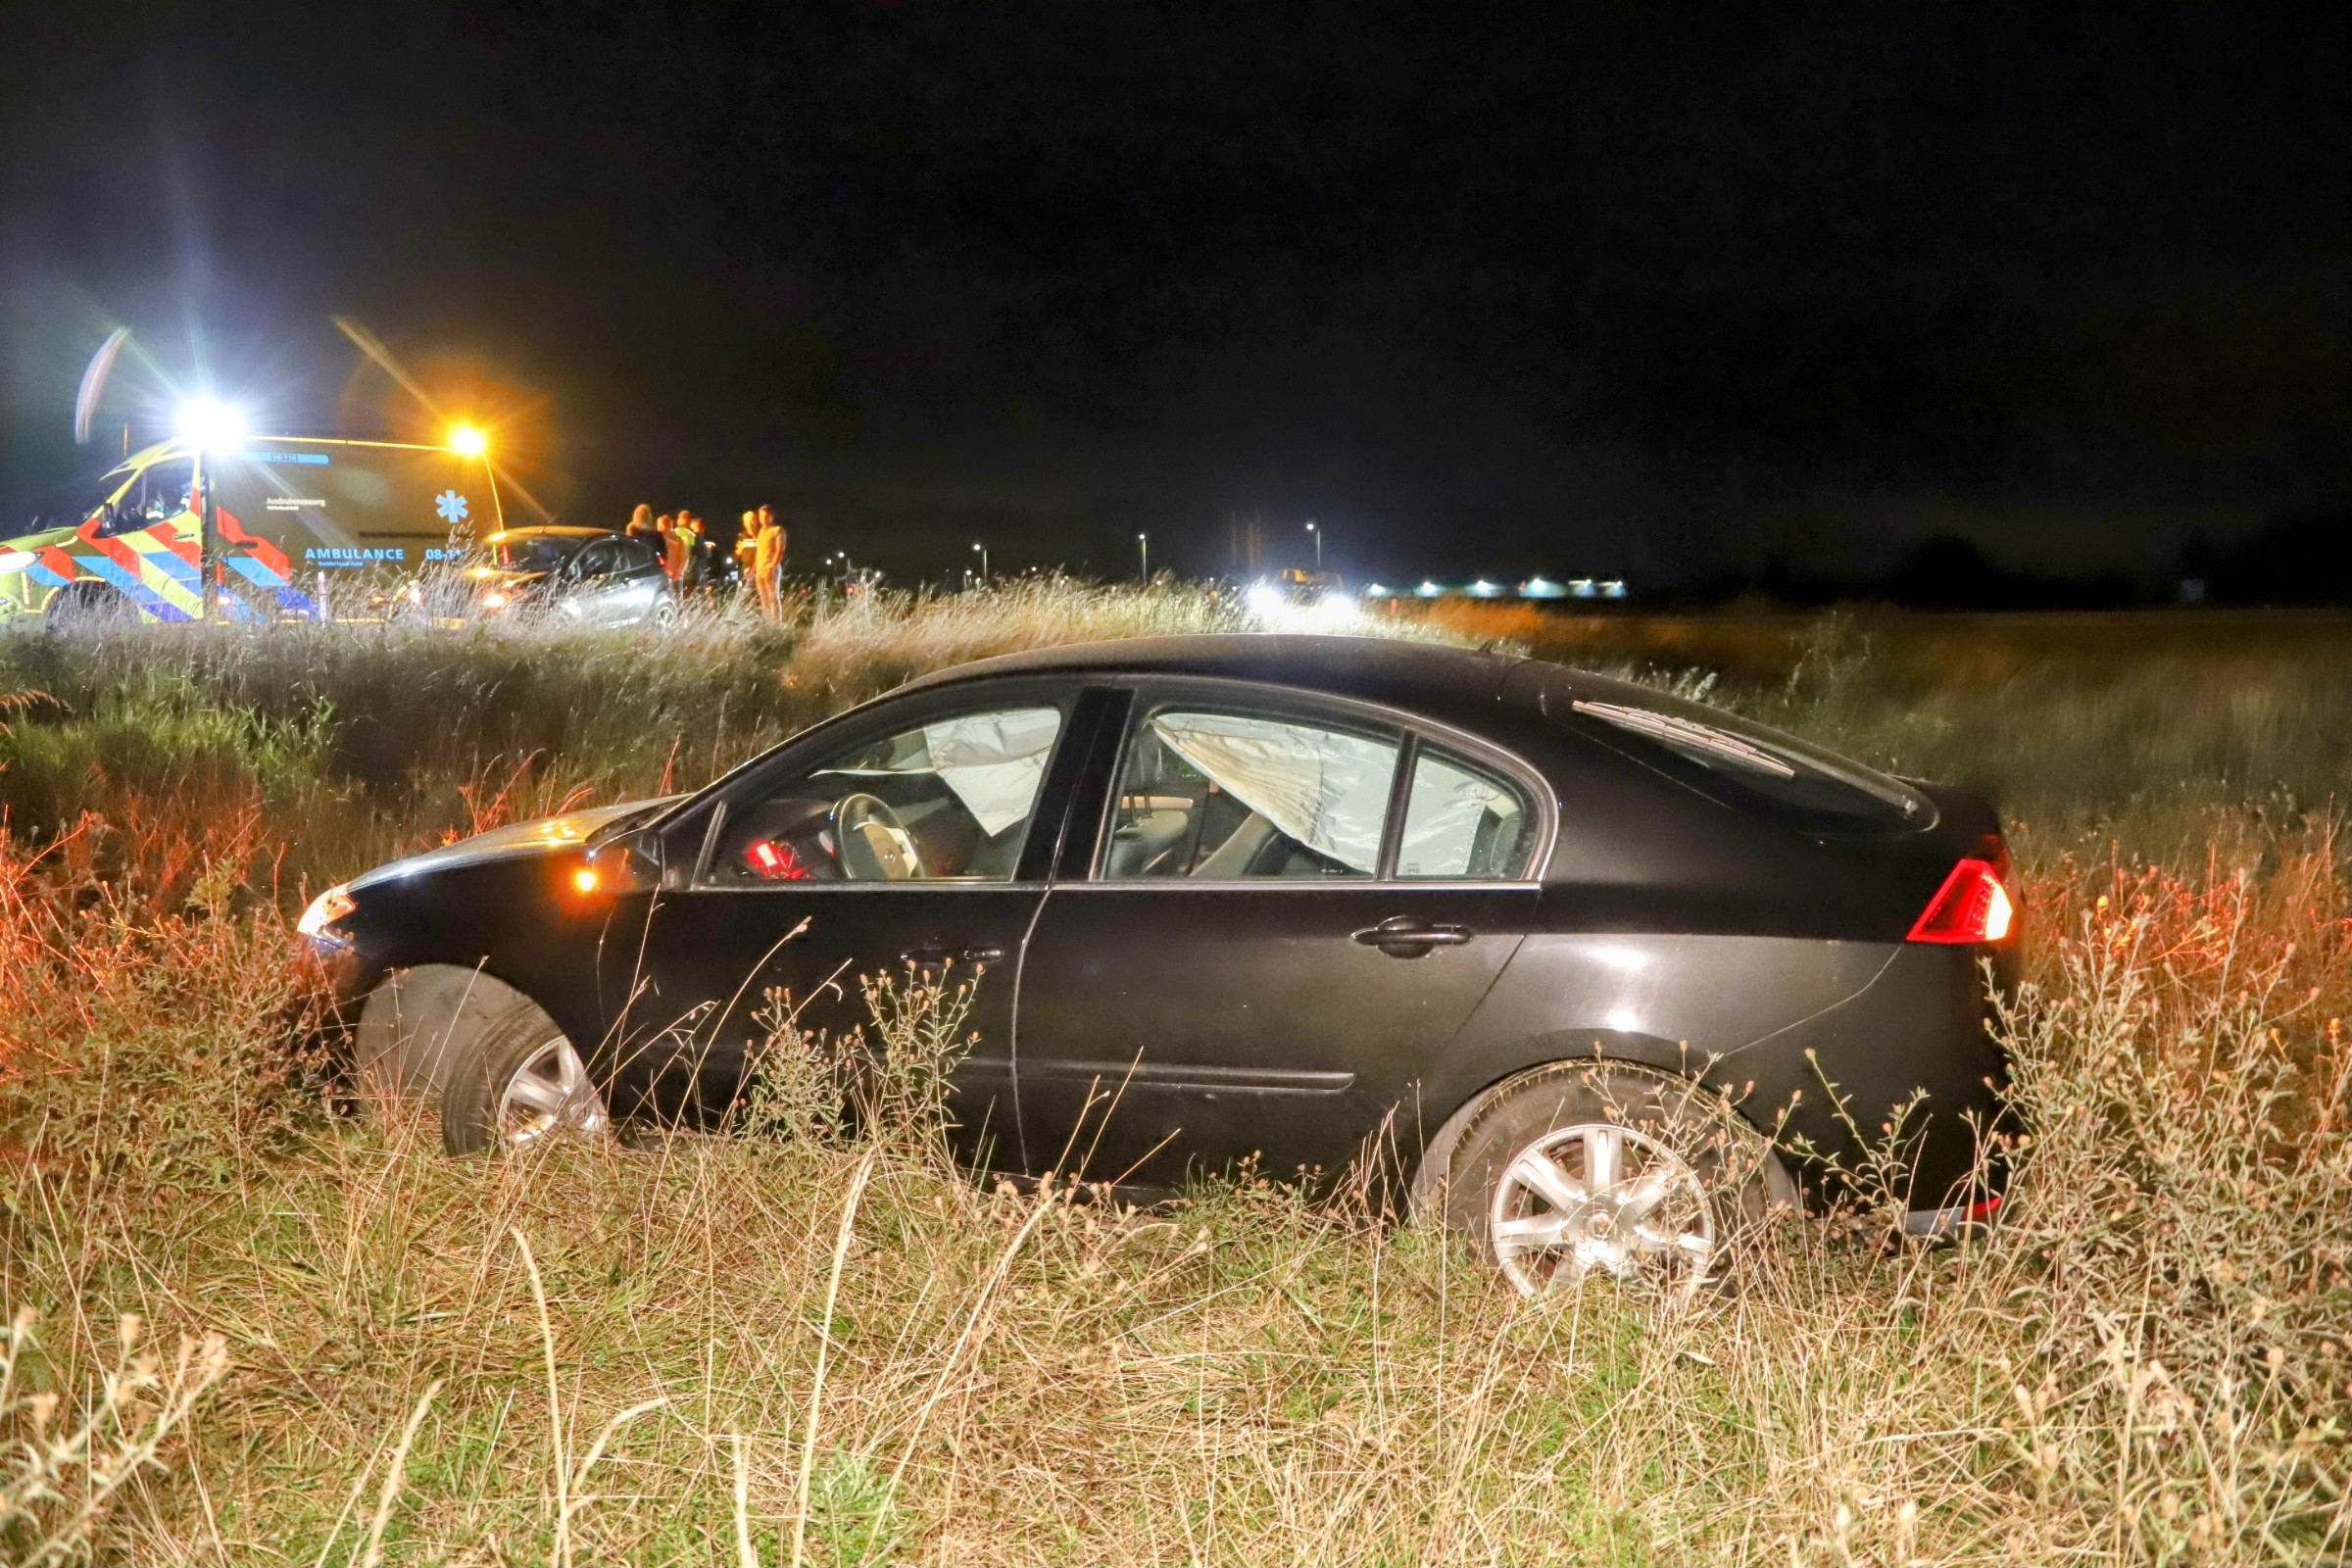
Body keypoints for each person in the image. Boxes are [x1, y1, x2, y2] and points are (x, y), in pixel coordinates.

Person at [753, 503, 787, 621]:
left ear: (771, 516)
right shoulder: (761, 531)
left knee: (773, 598)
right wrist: (754, 568)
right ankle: (767, 623)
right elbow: (759, 551)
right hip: (760, 569)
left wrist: (772, 566)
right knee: (763, 599)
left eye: (766, 516)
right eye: (761, 516)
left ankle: (777, 624)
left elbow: (780, 550)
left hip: (770, 568)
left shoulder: (777, 530)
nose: (763, 519)